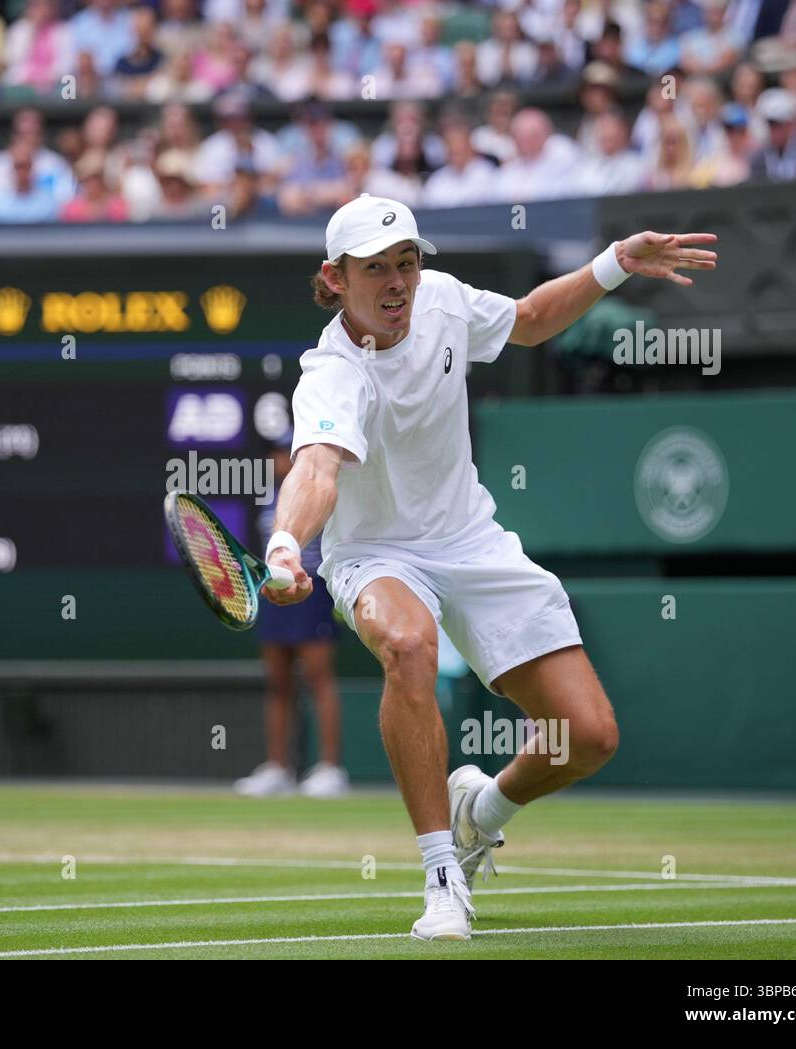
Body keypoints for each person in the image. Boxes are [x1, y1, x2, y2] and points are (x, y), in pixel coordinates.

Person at [262, 194, 715, 940]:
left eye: (407, 261)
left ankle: (482, 811)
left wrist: (612, 264)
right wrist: (287, 543)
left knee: (588, 736)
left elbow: (531, 319)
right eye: (375, 268)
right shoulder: (331, 373)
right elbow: (316, 468)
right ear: (335, 278)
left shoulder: (443, 300)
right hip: (376, 553)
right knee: (407, 645)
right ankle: (441, 877)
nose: (398, 282)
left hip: (471, 540)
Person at [234, 432, 347, 798]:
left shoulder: (321, 492)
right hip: (273, 595)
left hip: (313, 593)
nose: (277, 460)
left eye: (284, 453)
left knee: (318, 679)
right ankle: (278, 768)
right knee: (278, 682)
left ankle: (330, 769)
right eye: (273, 454)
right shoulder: (269, 499)